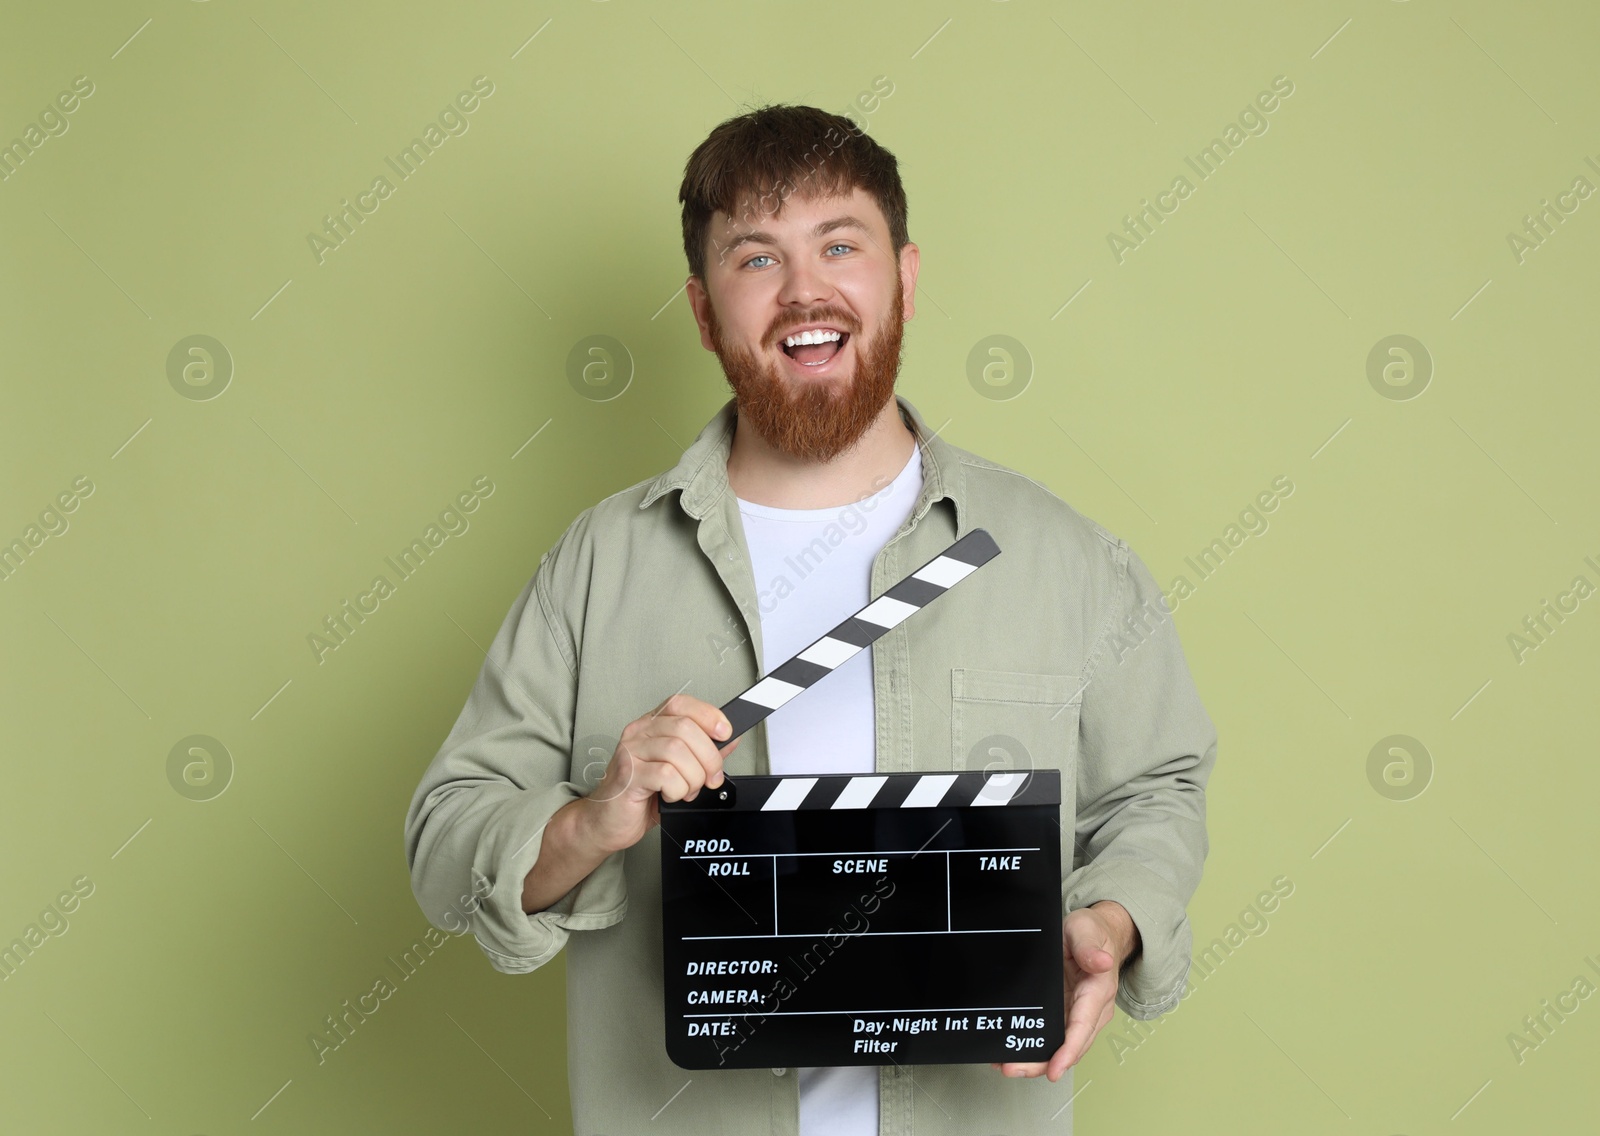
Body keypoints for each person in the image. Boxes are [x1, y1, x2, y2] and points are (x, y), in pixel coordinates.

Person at [405, 103, 1217, 1136]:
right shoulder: (598, 565)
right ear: (702, 313)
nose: (804, 290)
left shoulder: (1060, 557)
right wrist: (586, 820)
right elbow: (445, 838)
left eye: (840, 243)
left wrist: (1112, 918)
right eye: (756, 258)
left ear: (905, 277)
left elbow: (1159, 784)